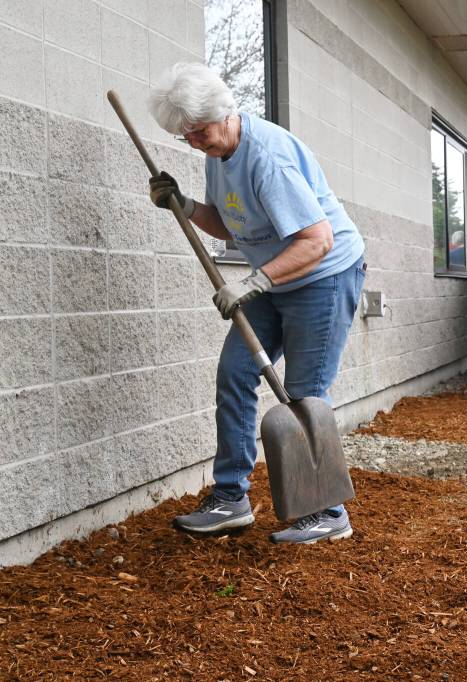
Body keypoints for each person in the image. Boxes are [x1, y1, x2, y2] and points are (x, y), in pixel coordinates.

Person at [147, 62, 366, 544]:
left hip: (322, 276)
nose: (195, 143)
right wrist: (183, 205)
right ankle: (231, 499)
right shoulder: (217, 153)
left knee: (305, 394)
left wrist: (254, 281)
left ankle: (328, 512)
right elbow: (234, 225)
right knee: (235, 372)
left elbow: (317, 240)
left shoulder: (268, 157)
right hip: (270, 281)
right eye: (186, 137)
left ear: (224, 113)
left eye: (198, 132)